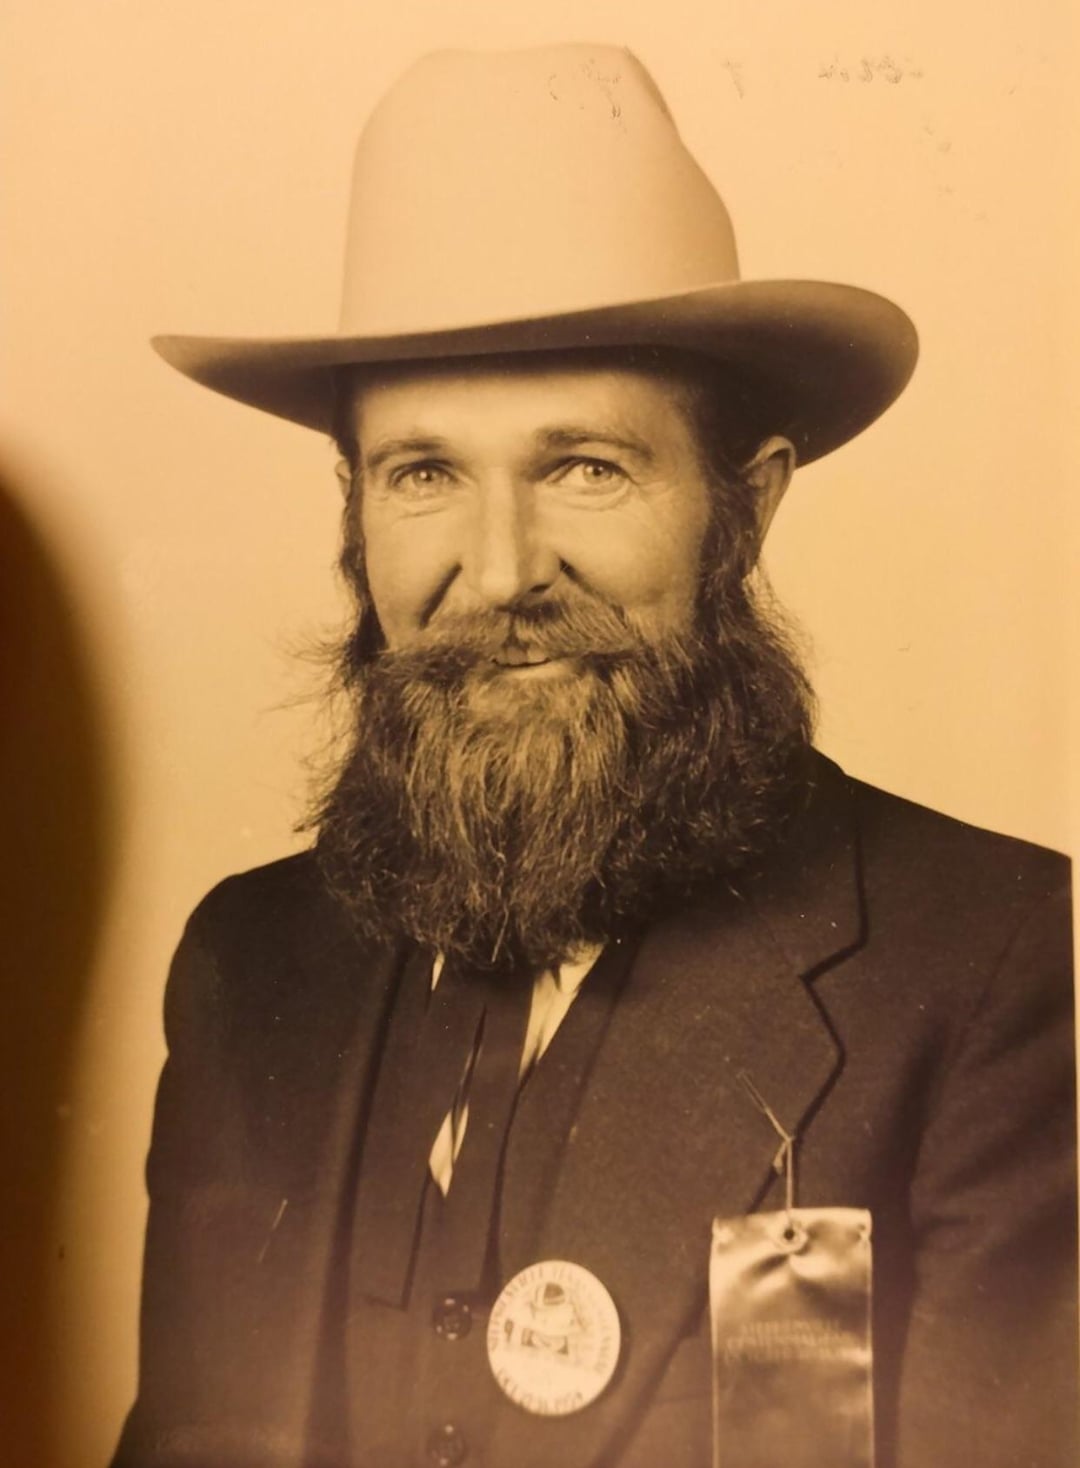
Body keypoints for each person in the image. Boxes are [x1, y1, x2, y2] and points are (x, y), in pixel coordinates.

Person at [111, 43, 1076, 1468]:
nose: (499, 575)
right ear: (355, 509)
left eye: (585, 467)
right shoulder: (249, 961)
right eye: (425, 473)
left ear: (741, 511)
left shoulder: (992, 961)